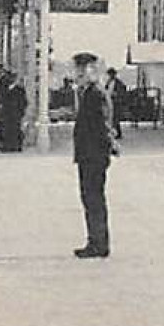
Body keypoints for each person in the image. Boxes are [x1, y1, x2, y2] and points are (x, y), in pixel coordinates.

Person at [72, 53, 117, 258]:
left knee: (93, 199)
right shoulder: (89, 92)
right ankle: (95, 241)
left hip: (94, 156)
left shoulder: (96, 94)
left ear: (92, 70)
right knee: (90, 199)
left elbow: (103, 124)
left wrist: (109, 146)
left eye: (82, 70)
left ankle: (98, 244)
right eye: (78, 70)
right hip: (89, 155)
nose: (79, 74)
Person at [104, 67, 127, 140]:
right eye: (109, 74)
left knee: (115, 118)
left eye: (111, 74)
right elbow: (106, 89)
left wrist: (116, 95)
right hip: (110, 101)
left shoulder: (119, 83)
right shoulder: (109, 82)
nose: (110, 75)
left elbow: (122, 92)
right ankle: (116, 132)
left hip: (116, 102)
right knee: (112, 118)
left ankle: (117, 133)